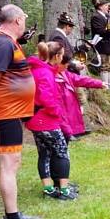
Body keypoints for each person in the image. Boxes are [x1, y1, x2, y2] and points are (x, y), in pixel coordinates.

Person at [0, 4, 42, 219]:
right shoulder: (3, 42)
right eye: (23, 18)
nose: (25, 22)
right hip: (4, 111)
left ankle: (15, 214)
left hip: (9, 110)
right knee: (8, 163)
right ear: (16, 21)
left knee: (13, 162)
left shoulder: (2, 40)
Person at [26, 41, 77, 200]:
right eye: (61, 55)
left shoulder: (36, 69)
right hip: (46, 120)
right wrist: (57, 113)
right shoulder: (45, 73)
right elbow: (47, 98)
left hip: (35, 120)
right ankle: (64, 190)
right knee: (62, 153)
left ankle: (48, 188)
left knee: (44, 154)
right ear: (56, 56)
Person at [55, 53, 107, 142]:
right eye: (65, 64)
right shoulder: (53, 76)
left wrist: (99, 83)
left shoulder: (65, 73)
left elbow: (79, 79)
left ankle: (71, 132)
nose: (67, 66)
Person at [90, 0, 110, 91]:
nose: (107, 7)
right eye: (106, 5)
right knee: (104, 67)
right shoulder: (96, 17)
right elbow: (99, 31)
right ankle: (105, 88)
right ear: (100, 7)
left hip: (109, 44)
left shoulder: (107, 16)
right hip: (102, 45)